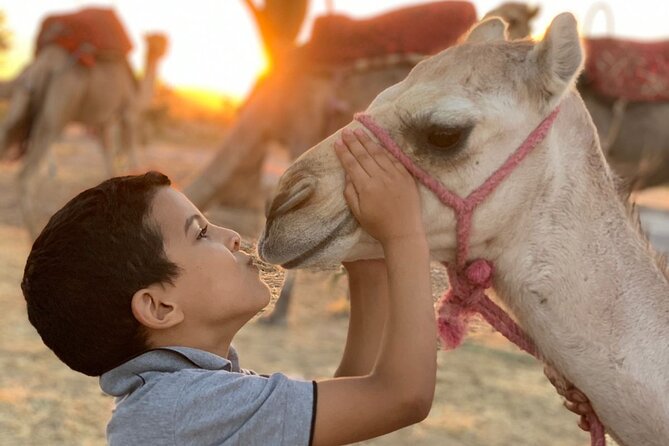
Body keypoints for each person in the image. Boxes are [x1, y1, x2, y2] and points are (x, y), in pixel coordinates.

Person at [21, 128, 437, 445]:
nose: (233, 236)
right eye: (201, 233)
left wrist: (367, 266)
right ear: (160, 307)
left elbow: (356, 409)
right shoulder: (184, 407)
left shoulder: (183, 398)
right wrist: (404, 234)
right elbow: (402, 397)